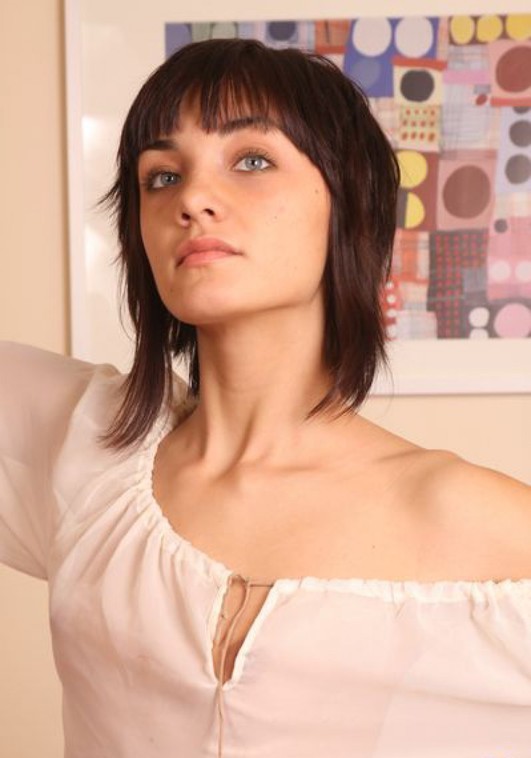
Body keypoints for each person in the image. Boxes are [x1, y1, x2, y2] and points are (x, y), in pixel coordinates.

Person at [1, 37, 530, 758]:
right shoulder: (83, 449)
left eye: (251, 160)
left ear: (349, 205)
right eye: (161, 177)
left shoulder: (468, 517)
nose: (192, 199)